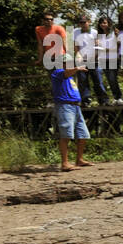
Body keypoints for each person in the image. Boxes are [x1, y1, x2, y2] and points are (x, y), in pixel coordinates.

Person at [50, 43, 90, 171]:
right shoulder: (57, 72)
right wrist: (77, 68)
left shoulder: (70, 76)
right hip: (65, 106)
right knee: (66, 134)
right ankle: (65, 162)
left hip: (75, 107)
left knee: (83, 134)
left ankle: (79, 159)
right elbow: (66, 73)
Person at [72, 15, 105, 105]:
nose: (83, 24)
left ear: (89, 22)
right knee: (83, 81)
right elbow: (76, 45)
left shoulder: (94, 32)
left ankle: (103, 100)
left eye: (84, 22)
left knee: (98, 80)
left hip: (94, 59)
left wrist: (94, 56)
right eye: (81, 22)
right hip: (81, 59)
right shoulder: (76, 32)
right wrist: (78, 55)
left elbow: (98, 46)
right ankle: (86, 100)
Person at [94, 16, 121, 104]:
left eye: (105, 23)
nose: (103, 24)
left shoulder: (114, 33)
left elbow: (118, 46)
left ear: (109, 23)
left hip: (114, 58)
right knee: (109, 79)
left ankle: (118, 97)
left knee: (113, 78)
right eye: (101, 23)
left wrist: (107, 49)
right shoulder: (100, 35)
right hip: (103, 59)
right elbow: (98, 48)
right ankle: (115, 97)